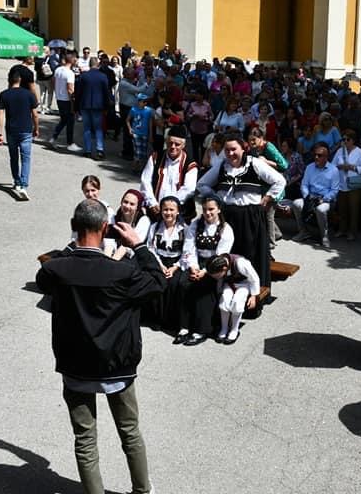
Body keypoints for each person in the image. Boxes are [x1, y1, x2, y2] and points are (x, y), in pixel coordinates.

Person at [36, 199, 164, 494]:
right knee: (130, 432)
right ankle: (142, 491)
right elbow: (158, 282)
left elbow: (42, 278)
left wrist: (71, 246)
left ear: (73, 227)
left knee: (85, 439)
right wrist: (139, 245)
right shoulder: (122, 273)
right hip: (116, 366)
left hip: (75, 366)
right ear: (105, 228)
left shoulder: (57, 269)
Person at [196, 134, 285, 291]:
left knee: (250, 252)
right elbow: (202, 184)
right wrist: (216, 199)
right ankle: (226, 289)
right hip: (227, 215)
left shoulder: (254, 163)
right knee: (227, 252)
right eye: (227, 150)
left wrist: (268, 197)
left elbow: (279, 180)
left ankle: (253, 291)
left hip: (250, 216)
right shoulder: (221, 166)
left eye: (234, 149)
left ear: (243, 148)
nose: (230, 153)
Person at [179, 196, 235, 345]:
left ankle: (201, 330)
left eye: (211, 209)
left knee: (204, 288)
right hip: (197, 262)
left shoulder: (225, 229)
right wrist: (193, 266)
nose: (207, 213)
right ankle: (185, 326)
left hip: (215, 266)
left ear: (219, 209)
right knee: (184, 283)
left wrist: (204, 271)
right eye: (204, 209)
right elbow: (189, 247)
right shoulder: (196, 224)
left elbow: (220, 255)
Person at [145, 196, 188, 329]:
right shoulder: (155, 227)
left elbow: (187, 251)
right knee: (156, 280)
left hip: (177, 262)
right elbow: (151, 248)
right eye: (165, 209)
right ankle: (157, 319)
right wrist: (160, 265)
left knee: (174, 283)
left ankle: (171, 321)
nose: (168, 213)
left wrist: (175, 268)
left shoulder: (184, 229)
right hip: (160, 260)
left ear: (177, 211)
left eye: (171, 210)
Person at [140, 124, 198, 221]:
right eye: (170, 143)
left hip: (179, 213)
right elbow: (145, 181)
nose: (173, 147)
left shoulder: (190, 164)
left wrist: (169, 206)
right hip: (155, 209)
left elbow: (188, 189)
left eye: (177, 144)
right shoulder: (155, 157)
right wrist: (152, 203)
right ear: (166, 141)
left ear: (183, 145)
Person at [0, 69, 39, 200]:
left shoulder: (4, 94)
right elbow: (35, 114)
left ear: (9, 80)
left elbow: (0, 114)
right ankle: (24, 185)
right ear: (20, 80)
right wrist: (36, 128)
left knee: (13, 158)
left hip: (11, 130)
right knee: (26, 158)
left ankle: (17, 181)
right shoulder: (29, 94)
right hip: (26, 130)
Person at [293, 142, 341, 247]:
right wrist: (307, 196)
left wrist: (324, 199)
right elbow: (304, 184)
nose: (316, 157)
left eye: (319, 155)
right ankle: (303, 231)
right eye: (315, 154)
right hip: (310, 197)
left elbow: (334, 190)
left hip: (325, 199)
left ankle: (324, 236)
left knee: (321, 209)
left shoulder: (334, 170)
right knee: (296, 203)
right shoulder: (309, 167)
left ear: (326, 157)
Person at [207, 254, 261, 344]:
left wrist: (253, 296)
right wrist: (219, 292)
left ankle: (234, 330)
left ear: (224, 268)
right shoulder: (219, 262)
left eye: (217, 275)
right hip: (229, 284)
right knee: (224, 300)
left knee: (237, 301)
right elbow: (220, 281)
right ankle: (224, 328)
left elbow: (254, 278)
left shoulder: (240, 263)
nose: (216, 277)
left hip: (244, 284)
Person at [332, 129, 361, 240]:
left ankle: (352, 232)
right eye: (343, 139)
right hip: (341, 184)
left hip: (354, 185)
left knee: (354, 209)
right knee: (342, 209)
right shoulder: (340, 151)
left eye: (347, 139)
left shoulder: (359, 152)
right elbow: (332, 165)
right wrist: (339, 167)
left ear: (353, 140)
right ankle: (342, 229)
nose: (345, 141)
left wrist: (353, 167)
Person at [75, 61, 111, 159]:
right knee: (98, 128)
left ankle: (88, 150)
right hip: (98, 105)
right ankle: (100, 150)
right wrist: (107, 106)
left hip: (85, 104)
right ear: (98, 65)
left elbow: (78, 92)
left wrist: (76, 107)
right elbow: (106, 92)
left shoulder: (83, 76)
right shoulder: (103, 76)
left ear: (89, 65)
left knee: (87, 128)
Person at [50, 53, 79, 151]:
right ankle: (70, 143)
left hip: (59, 98)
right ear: (72, 61)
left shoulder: (58, 70)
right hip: (67, 100)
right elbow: (70, 89)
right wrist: (73, 103)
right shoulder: (70, 73)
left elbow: (53, 81)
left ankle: (53, 138)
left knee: (63, 120)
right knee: (70, 121)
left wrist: (57, 91)